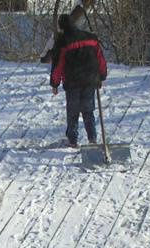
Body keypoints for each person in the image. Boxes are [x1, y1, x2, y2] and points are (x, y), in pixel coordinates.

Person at [49, 13, 107, 148]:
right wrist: (102, 75)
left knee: (73, 111)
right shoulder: (90, 37)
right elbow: (100, 58)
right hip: (90, 80)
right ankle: (92, 139)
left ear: (61, 27)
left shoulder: (63, 42)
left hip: (73, 82)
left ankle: (73, 141)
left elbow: (58, 65)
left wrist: (54, 83)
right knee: (88, 110)